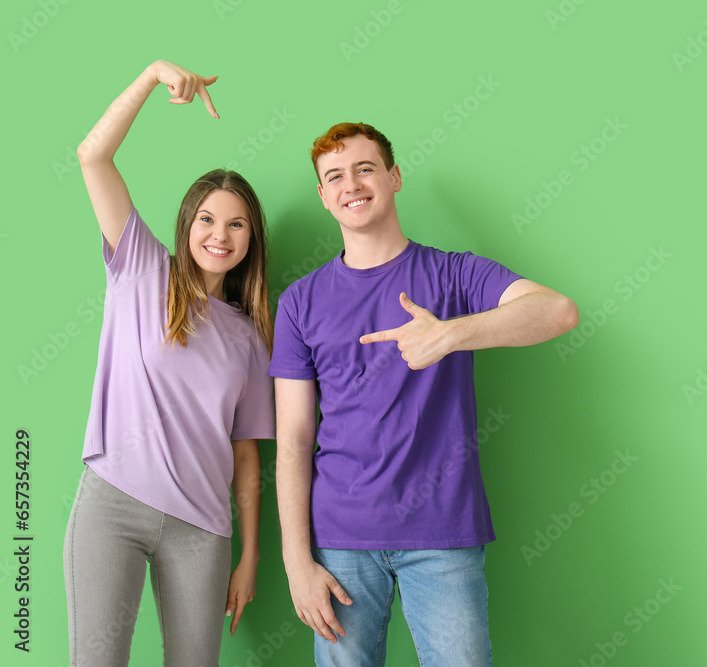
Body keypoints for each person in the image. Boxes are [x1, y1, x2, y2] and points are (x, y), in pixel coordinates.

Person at [271, 122, 579, 666]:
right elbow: (293, 440)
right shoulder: (299, 302)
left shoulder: (454, 274)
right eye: (335, 176)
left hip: (443, 533)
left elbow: (558, 312)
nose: (352, 184)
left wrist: (451, 333)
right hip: (340, 540)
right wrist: (297, 561)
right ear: (324, 196)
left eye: (365, 168)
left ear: (393, 176)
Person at [63, 60, 275, 667]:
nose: (220, 234)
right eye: (208, 218)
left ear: (250, 240)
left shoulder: (251, 339)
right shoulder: (141, 268)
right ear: (187, 224)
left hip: (203, 529)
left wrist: (249, 556)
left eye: (237, 224)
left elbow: (246, 458)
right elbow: (92, 157)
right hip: (114, 505)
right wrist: (152, 77)